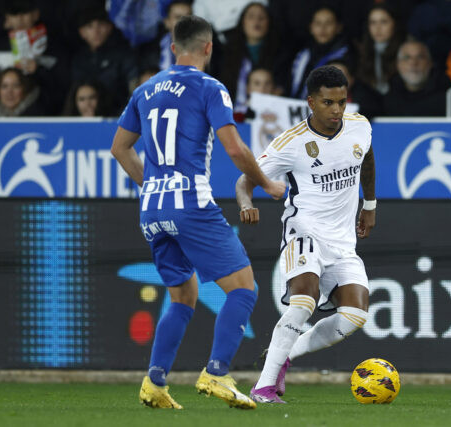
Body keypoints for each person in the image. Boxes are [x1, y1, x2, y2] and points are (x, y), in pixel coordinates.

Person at [111, 15, 285, 410]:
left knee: (183, 296)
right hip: (190, 203)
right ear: (209, 47)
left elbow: (119, 148)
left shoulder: (145, 89)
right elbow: (236, 149)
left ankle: (154, 382)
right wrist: (268, 184)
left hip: (152, 209)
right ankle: (218, 372)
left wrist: (153, 188)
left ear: (174, 48)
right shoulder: (210, 87)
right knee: (243, 289)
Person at [236, 65, 376, 403]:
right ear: (311, 102)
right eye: (329, 103)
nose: (337, 111)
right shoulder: (291, 143)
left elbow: (367, 157)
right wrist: (245, 202)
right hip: (304, 232)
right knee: (304, 301)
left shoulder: (359, 126)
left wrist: (369, 204)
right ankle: (264, 388)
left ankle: (283, 355)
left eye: (342, 102)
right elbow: (244, 181)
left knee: (356, 315)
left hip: (342, 242)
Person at [71, 7, 138, 112]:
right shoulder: (78, 60)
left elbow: (134, 88)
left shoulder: (123, 55)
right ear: (82, 32)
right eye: (90, 26)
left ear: (109, 28)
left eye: (101, 25)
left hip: (118, 115)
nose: (96, 31)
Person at [221, 3, 282, 114]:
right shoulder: (227, 53)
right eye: (251, 17)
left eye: (261, 18)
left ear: (269, 22)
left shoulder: (281, 53)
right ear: (242, 22)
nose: (256, 21)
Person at [287, 7, 349, 99]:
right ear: (311, 27)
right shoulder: (302, 54)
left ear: (338, 27)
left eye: (328, 23)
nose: (322, 28)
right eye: (318, 23)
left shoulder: (346, 56)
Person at [383, 40, 451, 117]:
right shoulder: (387, 100)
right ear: (397, 64)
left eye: (420, 57)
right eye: (407, 57)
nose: (413, 63)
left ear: (430, 63)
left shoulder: (449, 100)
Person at [356, 4, 405, 96]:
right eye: (373, 22)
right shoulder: (363, 50)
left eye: (383, 22)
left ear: (395, 24)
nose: (377, 28)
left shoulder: (406, 50)